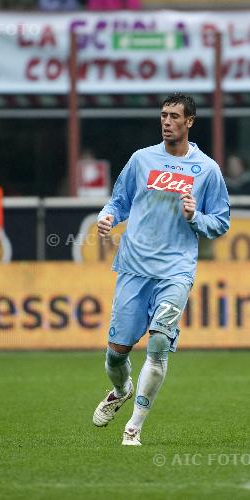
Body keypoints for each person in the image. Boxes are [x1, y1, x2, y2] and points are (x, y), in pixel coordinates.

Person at [92, 93, 230, 446]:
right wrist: (107, 216)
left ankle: (134, 426)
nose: (167, 121)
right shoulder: (141, 160)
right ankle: (121, 390)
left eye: (174, 116)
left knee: (158, 342)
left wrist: (195, 218)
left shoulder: (207, 170)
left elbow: (221, 221)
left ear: (190, 122)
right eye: (164, 115)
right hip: (135, 267)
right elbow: (119, 199)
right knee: (115, 354)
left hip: (175, 270)